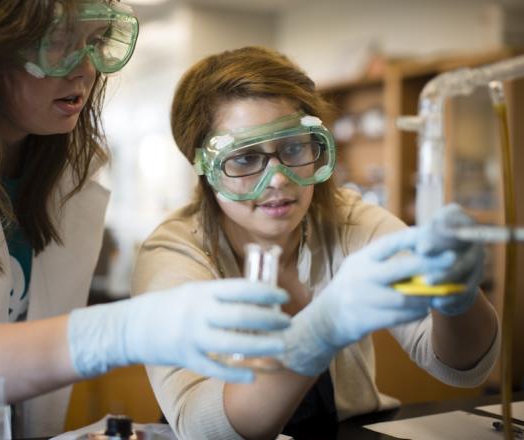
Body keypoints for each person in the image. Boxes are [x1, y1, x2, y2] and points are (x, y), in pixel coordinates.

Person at [131, 46, 500, 440]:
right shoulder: (174, 254)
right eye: (243, 158)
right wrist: (323, 326)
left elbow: (461, 368)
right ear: (205, 169)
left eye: (293, 148)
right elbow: (203, 428)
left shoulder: (348, 220)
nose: (277, 179)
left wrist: (457, 297)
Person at [0, 4, 291, 438]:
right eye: (58, 45)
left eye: (95, 43)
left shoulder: (67, 178)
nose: (85, 70)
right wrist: (124, 329)